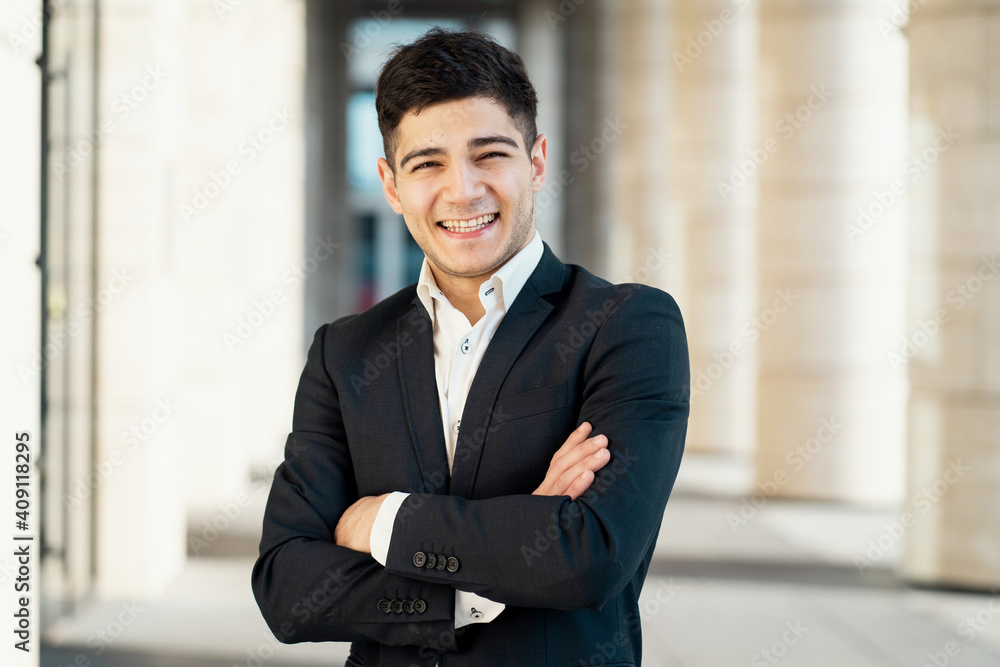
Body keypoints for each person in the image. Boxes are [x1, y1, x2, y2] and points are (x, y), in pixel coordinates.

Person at [252, 27, 689, 667]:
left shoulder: (627, 325)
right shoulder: (344, 353)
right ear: (391, 185)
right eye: (427, 164)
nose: (462, 190)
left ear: (536, 161)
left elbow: (592, 554)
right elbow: (288, 590)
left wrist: (384, 522)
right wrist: (501, 561)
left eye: (489, 155)